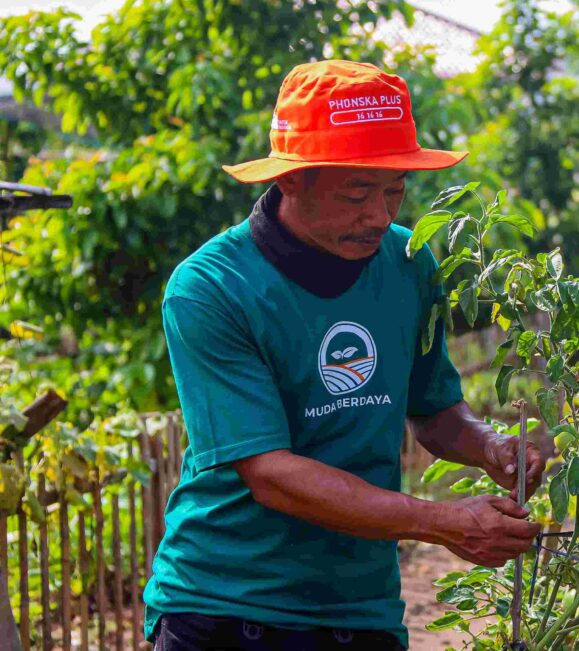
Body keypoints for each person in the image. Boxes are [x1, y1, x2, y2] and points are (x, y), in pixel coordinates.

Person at [142, 60, 545, 651]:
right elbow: (270, 475)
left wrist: (489, 446)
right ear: (291, 180)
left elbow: (434, 410)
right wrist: (441, 521)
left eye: (395, 190)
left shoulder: (409, 263)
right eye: (357, 193)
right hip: (226, 605)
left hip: (361, 608)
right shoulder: (211, 288)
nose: (380, 215)